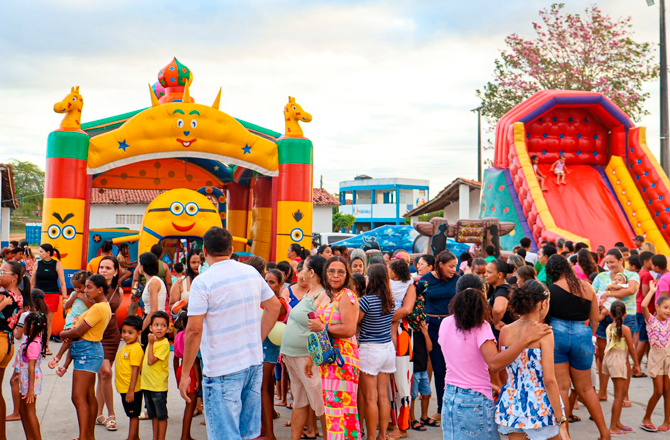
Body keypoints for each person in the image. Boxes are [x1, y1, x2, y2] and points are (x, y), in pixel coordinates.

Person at [179, 227, 281, 439]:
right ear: (231, 249)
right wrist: (257, 339)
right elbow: (274, 306)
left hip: (222, 369)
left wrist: (186, 372)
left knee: (224, 435)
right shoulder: (251, 272)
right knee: (246, 434)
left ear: (204, 251)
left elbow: (194, 330)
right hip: (253, 364)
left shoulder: (203, 281)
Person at [439, 286, 552, 440]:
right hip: (475, 399)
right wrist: (526, 339)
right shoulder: (481, 327)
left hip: (450, 395)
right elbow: (495, 363)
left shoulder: (445, 323)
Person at [544, 254, 609, 437]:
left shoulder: (550, 290)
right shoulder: (587, 287)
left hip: (557, 334)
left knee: (562, 389)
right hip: (582, 334)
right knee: (586, 388)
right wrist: (587, 335)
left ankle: (565, 435)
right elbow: (594, 319)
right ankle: (605, 433)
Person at [495, 280, 568, 440]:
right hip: (540, 403)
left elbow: (503, 372)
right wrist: (560, 417)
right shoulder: (545, 333)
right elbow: (549, 380)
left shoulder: (505, 331)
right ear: (543, 304)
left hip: (512, 402)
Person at [306, 256, 361, 440]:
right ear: (325, 273)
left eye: (340, 272)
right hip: (329, 361)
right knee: (334, 412)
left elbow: (349, 329)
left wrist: (323, 327)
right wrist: (311, 358)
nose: (335, 275)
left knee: (341, 412)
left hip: (342, 362)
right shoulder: (330, 296)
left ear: (347, 275)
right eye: (331, 271)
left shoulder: (347, 295)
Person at [281, 256, 329, 440]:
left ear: (312, 272)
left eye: (304, 269)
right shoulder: (309, 293)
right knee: (299, 400)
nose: (300, 272)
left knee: (320, 404)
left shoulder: (322, 295)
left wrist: (311, 357)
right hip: (293, 355)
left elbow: (322, 325)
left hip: (306, 357)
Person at [60, 274, 112, 440]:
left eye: (89, 287)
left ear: (100, 289)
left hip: (87, 352)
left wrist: (63, 334)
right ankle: (89, 436)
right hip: (90, 350)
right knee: (88, 396)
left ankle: (84, 437)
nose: (86, 291)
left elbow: (78, 331)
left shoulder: (98, 308)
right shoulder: (101, 306)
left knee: (78, 396)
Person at [415, 250, 460, 420]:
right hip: (432, 327)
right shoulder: (426, 280)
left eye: (455, 266)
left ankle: (454, 406)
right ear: (440, 265)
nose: (453, 270)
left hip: (453, 327)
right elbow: (416, 299)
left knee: (453, 368)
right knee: (439, 368)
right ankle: (441, 410)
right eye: (450, 266)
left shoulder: (458, 280)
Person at [594, 248, 640, 402]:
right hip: (604, 318)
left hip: (625, 318)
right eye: (607, 262)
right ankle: (602, 392)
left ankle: (624, 395)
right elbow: (593, 294)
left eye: (612, 262)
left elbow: (630, 290)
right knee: (602, 355)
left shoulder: (631, 275)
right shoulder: (601, 276)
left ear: (621, 260)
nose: (609, 265)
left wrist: (608, 294)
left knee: (622, 357)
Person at [358, 264, 395, 440]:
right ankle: (382, 435)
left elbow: (355, 322)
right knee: (383, 396)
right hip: (387, 348)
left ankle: (371, 437)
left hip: (370, 350)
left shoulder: (366, 301)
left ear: (371, 279)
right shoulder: (390, 300)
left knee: (370, 398)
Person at [93, 256, 123, 431]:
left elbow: (114, 312)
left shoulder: (119, 291)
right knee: (105, 372)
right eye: (101, 267)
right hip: (96, 334)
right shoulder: (93, 287)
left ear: (115, 271)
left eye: (108, 268)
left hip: (112, 335)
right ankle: (111, 414)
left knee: (103, 375)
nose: (103, 270)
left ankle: (98, 414)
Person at [0, 260, 29, 438]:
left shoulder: (4, 295)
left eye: (2, 272)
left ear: (14, 277)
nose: (0, 274)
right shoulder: (20, 296)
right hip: (8, 345)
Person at [603, 301, 641, 436]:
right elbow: (631, 348)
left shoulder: (609, 326)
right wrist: (637, 364)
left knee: (621, 392)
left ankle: (617, 422)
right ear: (625, 314)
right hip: (618, 359)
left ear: (610, 314)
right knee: (619, 395)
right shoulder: (625, 329)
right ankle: (613, 427)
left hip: (609, 358)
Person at [48, 270, 94, 376]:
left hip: (81, 321)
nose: (77, 290)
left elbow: (92, 306)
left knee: (71, 341)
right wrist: (72, 298)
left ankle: (61, 360)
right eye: (75, 287)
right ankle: (60, 359)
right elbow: (66, 306)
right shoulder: (74, 294)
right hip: (72, 320)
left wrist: (82, 297)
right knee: (69, 340)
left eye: (79, 287)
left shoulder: (89, 295)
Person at [261, 269, 288, 440]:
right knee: (266, 385)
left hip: (269, 346)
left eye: (272, 282)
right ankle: (265, 427)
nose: (268, 285)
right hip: (263, 345)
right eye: (266, 281)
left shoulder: (279, 303)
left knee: (262, 387)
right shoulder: (265, 300)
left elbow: (269, 313)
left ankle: (269, 433)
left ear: (280, 285)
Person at [640, 280, 670, 432]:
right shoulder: (651, 320)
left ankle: (667, 421)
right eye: (665, 307)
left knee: (668, 391)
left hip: (668, 358)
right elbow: (644, 306)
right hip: (656, 358)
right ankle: (646, 418)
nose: (668, 311)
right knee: (658, 391)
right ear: (657, 307)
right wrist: (652, 291)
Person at [30, 244, 66, 354]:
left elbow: (62, 283)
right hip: (38, 296)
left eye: (41, 251)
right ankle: (34, 344)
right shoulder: (37, 264)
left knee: (48, 321)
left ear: (48, 253)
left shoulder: (57, 264)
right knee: (36, 320)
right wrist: (29, 297)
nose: (39, 253)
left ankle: (46, 346)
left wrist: (64, 298)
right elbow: (32, 282)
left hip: (52, 296)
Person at [16, 312, 47, 440]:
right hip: (25, 378)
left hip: (30, 381)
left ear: (32, 327)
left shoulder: (33, 344)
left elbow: (31, 367)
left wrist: (30, 390)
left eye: (25, 324)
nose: (23, 327)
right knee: (23, 410)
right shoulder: (30, 341)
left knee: (29, 411)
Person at [141, 311, 170, 440]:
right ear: (150, 327)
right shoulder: (151, 341)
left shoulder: (164, 344)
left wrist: (151, 343)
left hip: (158, 386)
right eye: (156, 325)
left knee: (161, 416)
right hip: (147, 385)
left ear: (168, 329)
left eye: (163, 325)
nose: (159, 328)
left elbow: (151, 361)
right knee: (153, 415)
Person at [115, 315, 144, 440]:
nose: (126, 335)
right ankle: (135, 437)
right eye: (124, 331)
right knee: (132, 414)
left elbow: (135, 370)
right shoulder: (127, 346)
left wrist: (131, 390)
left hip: (131, 389)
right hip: (124, 388)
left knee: (133, 415)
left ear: (138, 333)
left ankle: (131, 437)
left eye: (130, 333)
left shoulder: (136, 349)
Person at [172, 312, 201, 440]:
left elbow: (175, 358)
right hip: (191, 371)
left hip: (181, 368)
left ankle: (186, 435)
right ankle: (185, 435)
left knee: (188, 404)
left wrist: (177, 377)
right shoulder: (191, 337)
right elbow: (194, 360)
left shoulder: (179, 336)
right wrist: (198, 379)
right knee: (190, 405)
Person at [139, 252, 167, 347]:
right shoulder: (151, 281)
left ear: (143, 266)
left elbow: (153, 309)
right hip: (151, 319)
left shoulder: (154, 282)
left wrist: (140, 329)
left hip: (153, 320)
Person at [635, 251, 655, 373]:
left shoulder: (640, 273)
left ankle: (648, 363)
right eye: (652, 261)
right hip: (645, 309)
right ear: (645, 261)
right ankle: (636, 368)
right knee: (643, 338)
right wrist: (654, 289)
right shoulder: (646, 275)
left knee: (646, 338)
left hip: (639, 308)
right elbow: (645, 292)